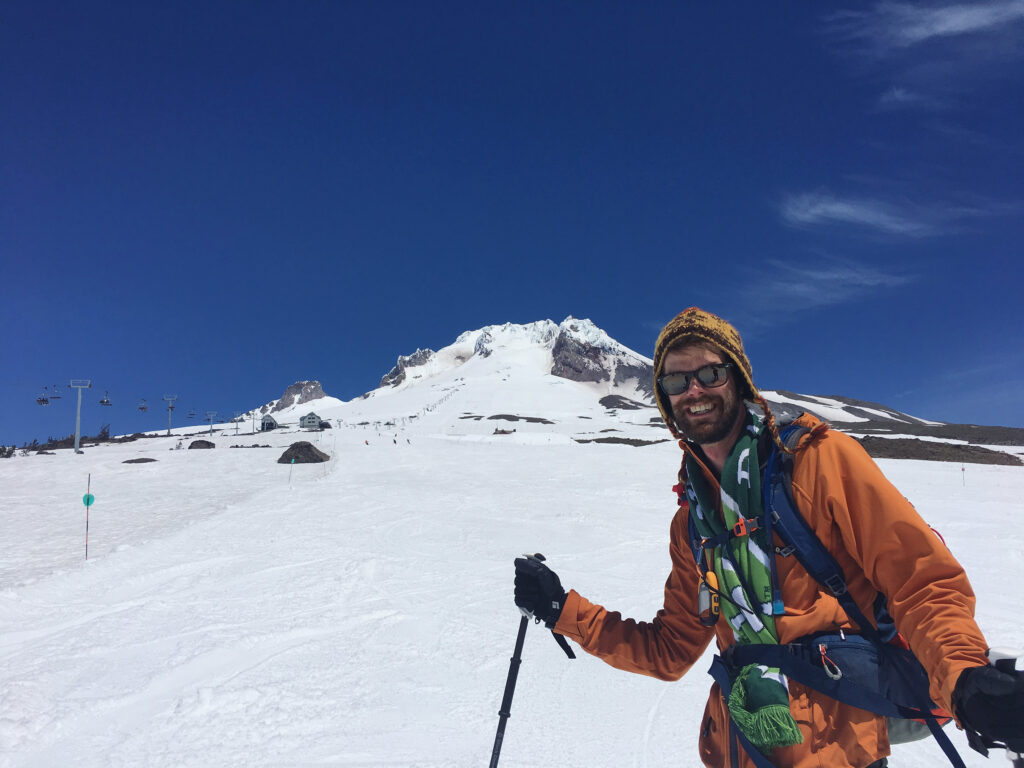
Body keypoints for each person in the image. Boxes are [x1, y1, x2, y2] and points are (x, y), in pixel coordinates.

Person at [514, 307, 1024, 768]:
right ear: (665, 399)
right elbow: (670, 649)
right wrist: (564, 610)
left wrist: (964, 678)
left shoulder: (817, 463)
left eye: (710, 372)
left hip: (837, 753)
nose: (694, 390)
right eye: (675, 380)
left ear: (738, 379)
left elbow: (920, 580)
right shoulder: (694, 521)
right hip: (741, 751)